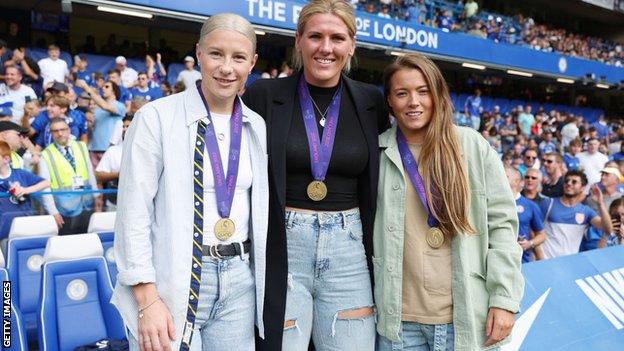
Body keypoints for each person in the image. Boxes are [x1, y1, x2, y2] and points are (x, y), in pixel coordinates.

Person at [111, 13, 268, 351]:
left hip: (240, 278)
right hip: (173, 279)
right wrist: (147, 298)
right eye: (216, 54)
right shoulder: (155, 117)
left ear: (252, 63)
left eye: (238, 57)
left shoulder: (256, 125)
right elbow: (132, 214)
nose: (226, 67)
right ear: (198, 53)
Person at [242, 1, 389, 350]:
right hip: (283, 246)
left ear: (351, 45)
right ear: (298, 41)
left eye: (337, 38)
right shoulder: (263, 95)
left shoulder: (371, 103)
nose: (326, 48)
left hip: (349, 250)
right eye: (315, 36)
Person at [375, 53, 522, 351]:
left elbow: (503, 226)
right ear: (389, 100)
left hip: (465, 318)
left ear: (438, 94)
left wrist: (504, 299)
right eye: (402, 93)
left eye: (423, 91)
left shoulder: (471, 145)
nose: (413, 102)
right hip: (399, 324)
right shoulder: (377, 151)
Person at [39, 118, 99, 234]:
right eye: (55, 131)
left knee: (87, 239)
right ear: (51, 133)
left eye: (63, 129)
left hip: (86, 203)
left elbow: (90, 172)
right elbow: (44, 187)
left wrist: (96, 196)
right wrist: (53, 212)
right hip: (64, 208)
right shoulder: (46, 155)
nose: (60, 133)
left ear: (69, 130)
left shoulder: (82, 146)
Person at [539, 170, 612, 259]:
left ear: (582, 187)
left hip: (569, 264)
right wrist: (540, 258)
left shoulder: (586, 211)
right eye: (566, 181)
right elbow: (535, 231)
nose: (569, 184)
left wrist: (600, 203)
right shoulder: (548, 203)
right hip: (545, 262)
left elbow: (607, 229)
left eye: (574, 182)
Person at [74, 78, 126, 169]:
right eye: (102, 87)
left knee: (110, 181)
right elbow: (93, 127)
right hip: (93, 148)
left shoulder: (120, 106)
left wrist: (86, 87)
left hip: (109, 149)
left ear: (114, 90)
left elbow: (105, 106)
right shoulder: (97, 109)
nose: (103, 88)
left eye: (107, 87)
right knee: (96, 180)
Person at [0, 141, 53, 214]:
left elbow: (46, 183)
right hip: (4, 223)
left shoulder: (20, 173)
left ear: (6, 159)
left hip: (25, 220)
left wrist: (25, 190)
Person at [505, 166, 546, 262]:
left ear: (516, 181)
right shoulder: (492, 202)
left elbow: (541, 235)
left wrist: (529, 243)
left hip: (521, 261)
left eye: (506, 176)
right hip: (497, 259)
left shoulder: (530, 205)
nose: (500, 178)